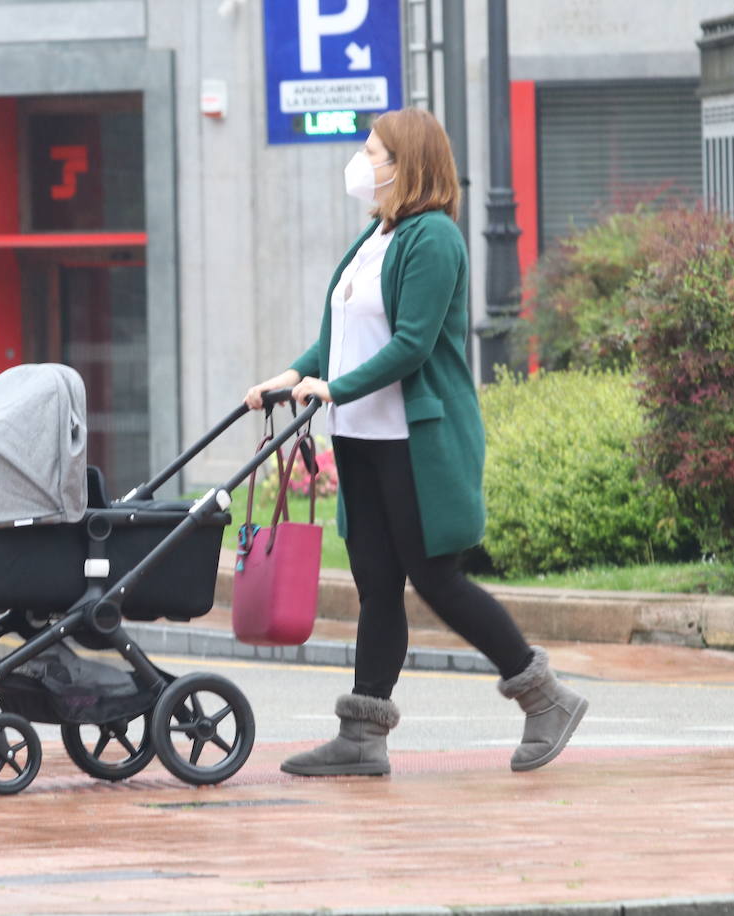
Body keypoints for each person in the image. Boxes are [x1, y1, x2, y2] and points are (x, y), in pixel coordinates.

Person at [244, 108, 587, 777]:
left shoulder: (433, 238)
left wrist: (333, 389)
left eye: (371, 151)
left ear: (407, 162)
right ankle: (362, 734)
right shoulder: (376, 235)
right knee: (377, 584)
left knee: (436, 578)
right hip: (363, 436)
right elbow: (340, 337)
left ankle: (545, 696)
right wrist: (293, 375)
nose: (361, 161)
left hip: (413, 439)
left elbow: (412, 345)